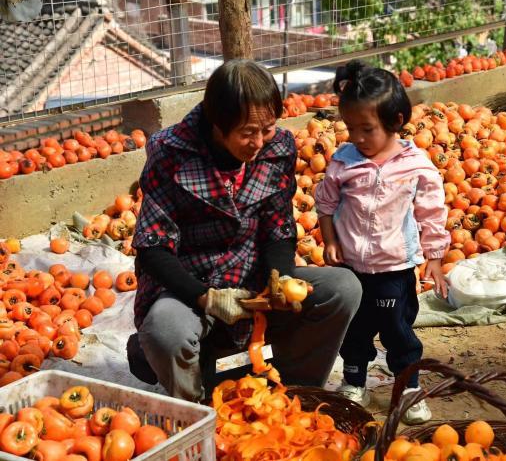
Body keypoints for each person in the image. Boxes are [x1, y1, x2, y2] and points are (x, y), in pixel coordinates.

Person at [126, 59, 362, 402]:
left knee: (343, 288)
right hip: (189, 286)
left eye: (266, 128)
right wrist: (206, 296)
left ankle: (293, 394)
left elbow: (278, 227)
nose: (259, 142)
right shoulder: (171, 153)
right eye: (247, 132)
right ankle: (196, 414)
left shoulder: (277, 147)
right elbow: (153, 248)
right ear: (216, 125)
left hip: (252, 280)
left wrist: (278, 278)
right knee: (166, 330)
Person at [314, 60, 450, 424]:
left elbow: (431, 211)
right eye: (350, 128)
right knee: (354, 329)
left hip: (394, 267)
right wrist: (329, 241)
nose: (357, 137)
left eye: (367, 129)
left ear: (396, 121)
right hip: (351, 268)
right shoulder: (343, 161)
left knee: (397, 330)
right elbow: (324, 203)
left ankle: (409, 387)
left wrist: (434, 258)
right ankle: (354, 379)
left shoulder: (415, 164)